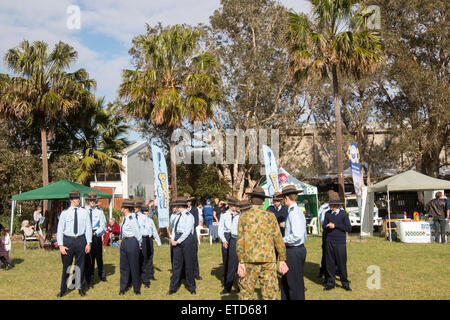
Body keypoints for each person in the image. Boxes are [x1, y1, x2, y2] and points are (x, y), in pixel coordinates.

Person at [237, 186, 289, 300]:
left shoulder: (243, 217)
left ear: (250, 200)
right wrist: (282, 259)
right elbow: (278, 239)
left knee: (246, 294)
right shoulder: (270, 216)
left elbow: (240, 242)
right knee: (269, 294)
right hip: (268, 260)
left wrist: (240, 262)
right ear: (263, 201)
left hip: (249, 260)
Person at [56, 190, 92, 297]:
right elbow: (60, 230)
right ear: (71, 200)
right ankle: (63, 289)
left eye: (78, 198)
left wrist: (88, 243)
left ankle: (80, 287)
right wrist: (61, 245)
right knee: (66, 266)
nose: (78, 200)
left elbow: (88, 228)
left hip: (80, 240)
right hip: (68, 241)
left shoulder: (84, 212)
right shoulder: (65, 213)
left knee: (80, 266)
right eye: (75, 199)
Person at [280, 185, 307, 300]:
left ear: (286, 198)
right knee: (289, 282)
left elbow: (296, 235)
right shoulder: (295, 211)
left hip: (294, 251)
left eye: (282, 198)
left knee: (294, 285)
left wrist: (281, 240)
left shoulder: (294, 212)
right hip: (295, 250)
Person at [323, 191, 352, 291]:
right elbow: (324, 225)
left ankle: (345, 283)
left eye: (330, 204)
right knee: (329, 263)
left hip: (340, 243)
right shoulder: (327, 214)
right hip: (329, 241)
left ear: (335, 205)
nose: (329, 206)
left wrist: (335, 226)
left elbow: (348, 227)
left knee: (341, 263)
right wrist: (327, 226)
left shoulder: (343, 214)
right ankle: (331, 283)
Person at [168, 196, 197, 295]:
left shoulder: (189, 216)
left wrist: (178, 241)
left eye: (178, 206)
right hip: (177, 238)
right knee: (176, 265)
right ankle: (173, 287)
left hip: (187, 239)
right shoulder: (176, 215)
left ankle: (191, 287)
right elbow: (174, 228)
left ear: (182, 206)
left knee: (189, 264)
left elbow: (187, 231)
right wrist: (172, 238)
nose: (176, 208)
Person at [84, 192, 107, 289]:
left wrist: (96, 233)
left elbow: (103, 226)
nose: (92, 202)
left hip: (95, 235)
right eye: (91, 200)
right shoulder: (83, 210)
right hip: (86, 236)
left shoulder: (99, 211)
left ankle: (102, 275)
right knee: (89, 259)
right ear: (88, 201)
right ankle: (90, 280)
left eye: (94, 200)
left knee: (99, 257)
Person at [222, 200, 245, 294]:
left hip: (243, 241)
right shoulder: (235, 216)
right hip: (234, 240)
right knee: (231, 264)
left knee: (242, 264)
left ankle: (241, 286)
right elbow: (231, 230)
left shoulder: (244, 217)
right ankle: (228, 287)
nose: (238, 208)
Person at [119, 199, 142, 295]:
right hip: (124, 242)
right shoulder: (125, 218)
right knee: (123, 266)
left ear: (126, 209)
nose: (121, 208)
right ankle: (123, 288)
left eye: (122, 207)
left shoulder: (132, 218)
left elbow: (137, 232)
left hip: (132, 241)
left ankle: (136, 288)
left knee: (134, 266)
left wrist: (139, 244)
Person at [218, 197, 239, 289]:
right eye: (234, 205)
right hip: (226, 236)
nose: (235, 207)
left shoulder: (239, 214)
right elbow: (220, 228)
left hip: (235, 237)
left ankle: (238, 281)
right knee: (226, 259)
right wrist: (223, 240)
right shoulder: (224, 214)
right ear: (230, 205)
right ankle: (225, 280)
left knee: (236, 260)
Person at [142, 204, 161, 284]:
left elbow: (154, 231)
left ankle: (150, 274)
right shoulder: (140, 220)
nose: (147, 213)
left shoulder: (150, 220)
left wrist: (158, 241)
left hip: (149, 239)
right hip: (142, 239)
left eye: (147, 211)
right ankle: (144, 275)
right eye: (145, 211)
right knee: (144, 258)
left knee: (150, 256)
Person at [185, 194, 202, 280]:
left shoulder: (194, 210)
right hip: (184, 235)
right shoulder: (183, 211)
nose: (188, 203)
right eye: (186, 201)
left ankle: (196, 273)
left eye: (189, 201)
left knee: (194, 254)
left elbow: (196, 222)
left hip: (192, 234)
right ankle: (185, 273)